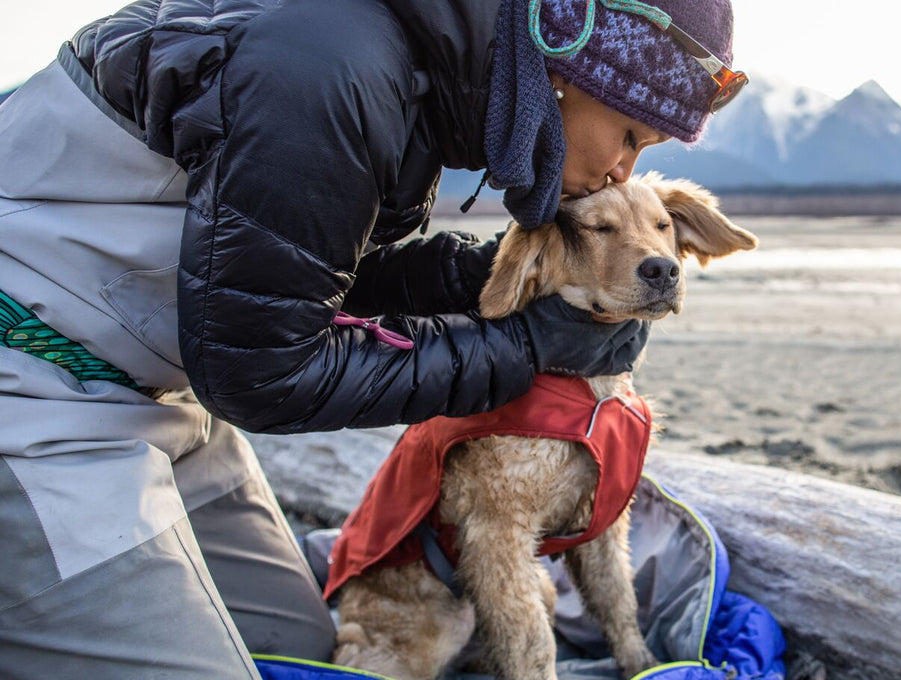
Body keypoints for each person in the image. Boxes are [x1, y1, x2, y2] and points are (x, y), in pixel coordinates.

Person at [0, 0, 744, 676]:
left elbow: (283, 268)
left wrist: (468, 275)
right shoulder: (322, 69)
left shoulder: (409, 77)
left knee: (297, 647)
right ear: (565, 69)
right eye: (628, 136)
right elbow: (262, 374)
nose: (622, 170)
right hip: (34, 392)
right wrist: (523, 351)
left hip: (161, 394)